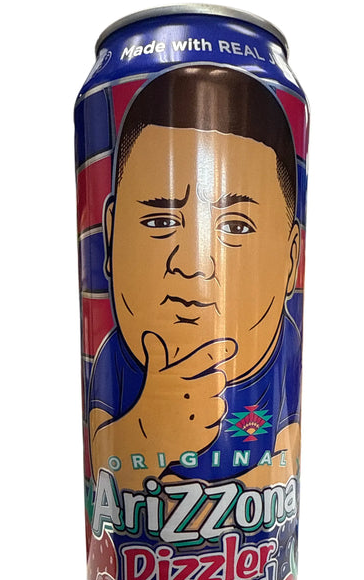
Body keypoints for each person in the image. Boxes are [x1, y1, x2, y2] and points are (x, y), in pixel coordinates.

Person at [89, 64, 301, 491]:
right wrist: (145, 433)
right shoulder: (117, 358)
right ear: (110, 237)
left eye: (236, 226)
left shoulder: (286, 347)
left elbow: (284, 464)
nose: (192, 265)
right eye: (160, 221)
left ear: (292, 260)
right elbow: (101, 465)